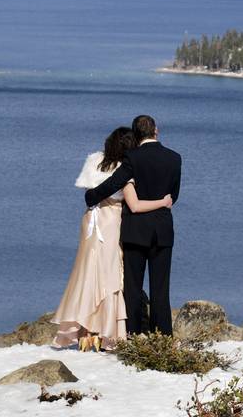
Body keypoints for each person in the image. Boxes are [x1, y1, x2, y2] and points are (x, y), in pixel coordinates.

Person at [52, 126, 172, 351]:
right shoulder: (125, 169)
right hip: (110, 220)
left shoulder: (95, 162)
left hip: (91, 220)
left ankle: (86, 331)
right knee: (110, 275)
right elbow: (134, 205)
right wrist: (163, 202)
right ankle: (107, 332)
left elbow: (90, 195)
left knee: (87, 272)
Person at [85, 115, 182, 335]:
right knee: (160, 289)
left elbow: (114, 183)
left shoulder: (132, 157)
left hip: (136, 231)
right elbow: (173, 195)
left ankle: (132, 335)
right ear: (156, 130)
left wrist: (92, 196)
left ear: (136, 135)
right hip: (163, 230)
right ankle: (163, 338)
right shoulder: (174, 158)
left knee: (133, 288)